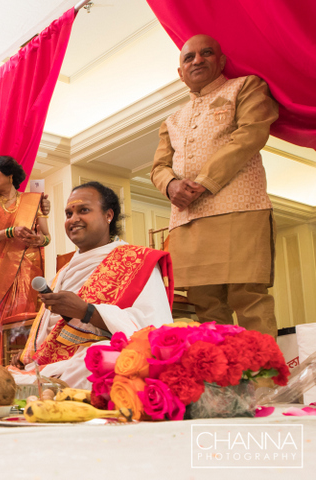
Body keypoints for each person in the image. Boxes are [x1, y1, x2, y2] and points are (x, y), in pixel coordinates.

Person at [151, 34, 278, 336]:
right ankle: (222, 383)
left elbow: (250, 136)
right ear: (180, 73)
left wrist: (204, 182)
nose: (197, 60)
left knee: (248, 299)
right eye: (188, 57)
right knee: (206, 309)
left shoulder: (246, 87)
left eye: (206, 53)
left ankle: (265, 384)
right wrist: (170, 186)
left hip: (239, 210)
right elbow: (158, 167)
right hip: (187, 221)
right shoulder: (172, 119)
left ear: (221, 61)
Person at [18, 182, 174, 389]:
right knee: (9, 376)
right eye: (68, 214)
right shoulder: (64, 271)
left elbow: (154, 329)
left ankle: (44, 389)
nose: (73, 219)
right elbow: (48, 330)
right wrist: (26, 359)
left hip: (93, 359)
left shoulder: (137, 261)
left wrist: (87, 311)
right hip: (55, 364)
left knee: (102, 358)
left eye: (83, 210)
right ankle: (43, 387)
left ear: (108, 215)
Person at [0, 156, 49, 365]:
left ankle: (23, 364)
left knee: (25, 316)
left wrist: (38, 239)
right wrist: (10, 232)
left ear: (10, 174)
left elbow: (47, 237)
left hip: (28, 266)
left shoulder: (33, 200)